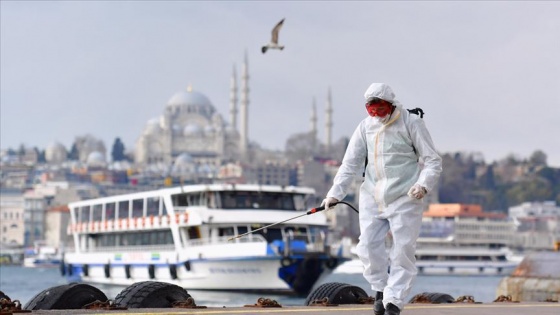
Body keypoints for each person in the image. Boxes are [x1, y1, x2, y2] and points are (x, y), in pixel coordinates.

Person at [322, 83, 442, 315]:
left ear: (390, 104)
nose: (375, 114)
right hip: (371, 195)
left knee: (402, 251)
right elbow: (350, 164)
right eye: (371, 110)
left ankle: (393, 302)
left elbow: (433, 160)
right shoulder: (365, 127)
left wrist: (423, 185)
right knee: (366, 247)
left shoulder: (411, 123)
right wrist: (335, 194)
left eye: (379, 109)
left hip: (406, 197)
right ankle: (379, 288)